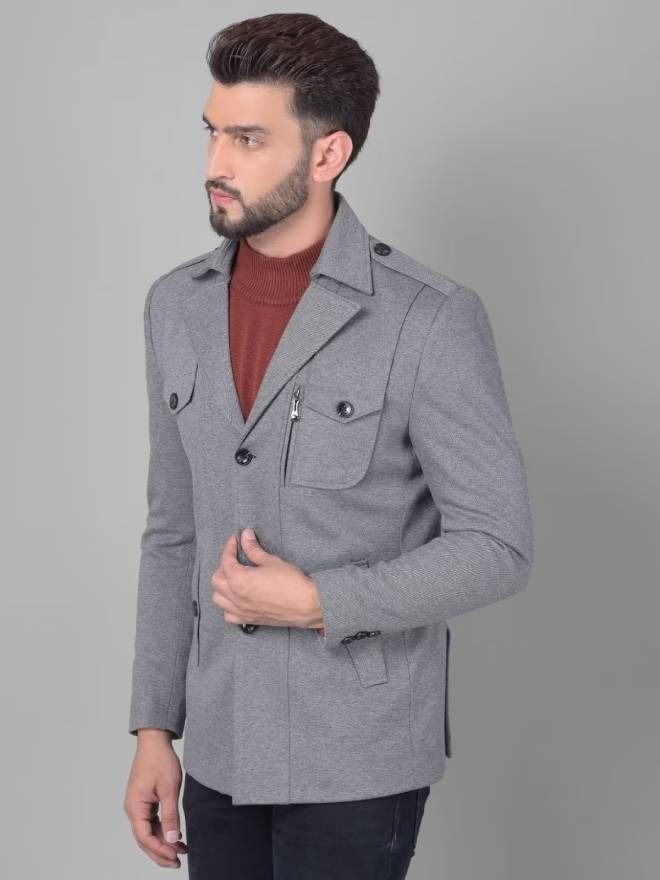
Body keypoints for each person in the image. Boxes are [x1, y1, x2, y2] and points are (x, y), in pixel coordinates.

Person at [123, 12, 534, 879]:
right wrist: (155, 728)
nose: (215, 163)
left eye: (247, 139)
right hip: (220, 746)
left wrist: (320, 601)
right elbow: (172, 533)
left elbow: (497, 546)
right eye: (212, 132)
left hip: (359, 754)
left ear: (327, 154)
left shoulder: (427, 318)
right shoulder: (175, 306)